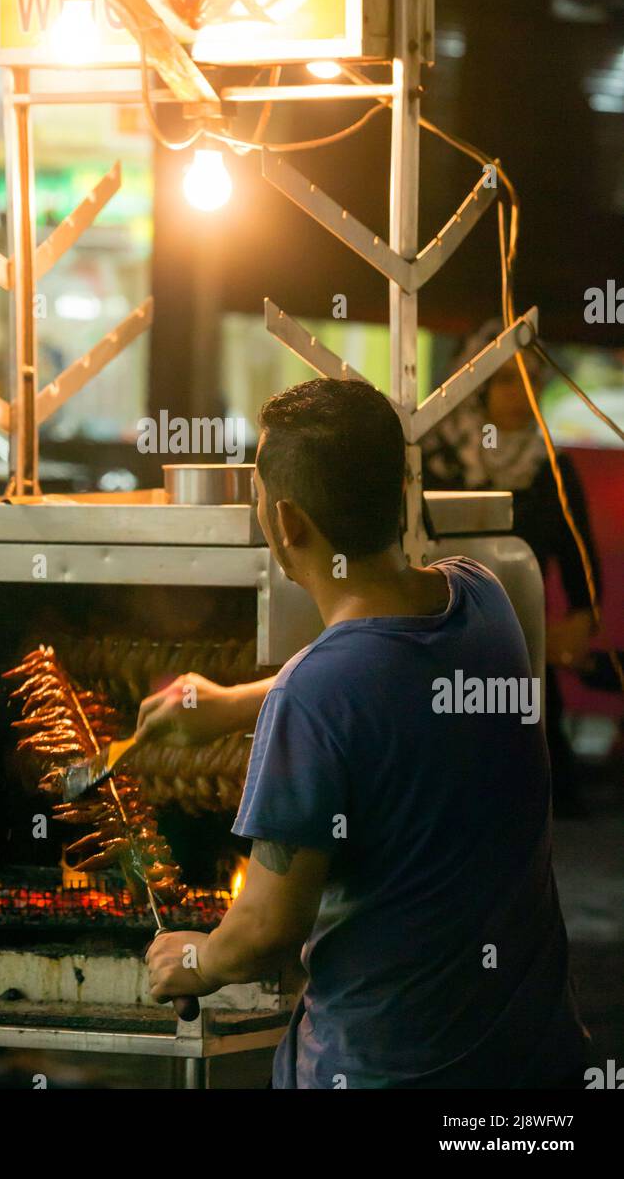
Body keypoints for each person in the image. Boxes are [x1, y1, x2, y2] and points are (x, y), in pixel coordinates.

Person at [143, 378, 587, 1089]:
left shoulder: (316, 696)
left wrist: (193, 959)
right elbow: (382, 677)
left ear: (285, 522)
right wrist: (232, 705)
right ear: (402, 491)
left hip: (385, 1072)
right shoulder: (481, 599)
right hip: (535, 1068)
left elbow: (265, 931)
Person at [422, 322, 601, 816]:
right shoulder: (437, 463)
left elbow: (578, 552)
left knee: (533, 790)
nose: (520, 394)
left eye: (531, 379)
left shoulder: (551, 467)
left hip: (524, 640)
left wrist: (584, 616)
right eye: (504, 380)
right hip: (441, 635)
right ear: (476, 387)